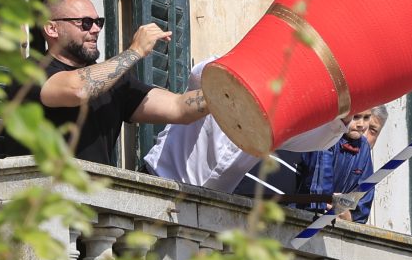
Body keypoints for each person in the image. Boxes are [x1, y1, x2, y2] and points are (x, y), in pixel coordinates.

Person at [0, 0, 208, 165]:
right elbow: (78, 89)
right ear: (52, 28)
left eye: (98, 22)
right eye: (85, 23)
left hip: (95, 210)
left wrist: (229, 92)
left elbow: (180, 108)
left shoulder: (116, 83)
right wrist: (135, 51)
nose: (95, 30)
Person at [144, 58, 347, 193]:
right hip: (158, 181)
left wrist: (347, 109)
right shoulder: (222, 68)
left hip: (203, 209)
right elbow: (200, 74)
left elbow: (322, 138)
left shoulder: (278, 118)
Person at [294, 110, 375, 223]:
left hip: (340, 220)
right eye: (356, 117)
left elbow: (366, 191)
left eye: (366, 118)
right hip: (307, 216)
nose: (361, 124)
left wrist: (351, 215)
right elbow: (318, 184)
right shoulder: (327, 137)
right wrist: (329, 204)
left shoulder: (364, 147)